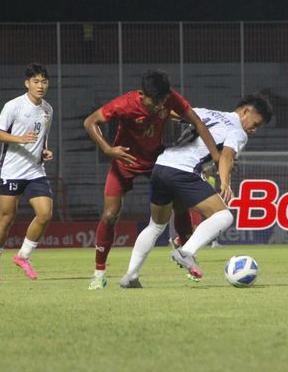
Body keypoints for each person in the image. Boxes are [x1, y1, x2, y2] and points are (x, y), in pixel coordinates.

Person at [84, 69, 220, 290]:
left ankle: (188, 259)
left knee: (180, 205)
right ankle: (99, 273)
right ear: (141, 94)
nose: (159, 106)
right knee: (109, 215)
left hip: (156, 161)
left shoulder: (169, 98)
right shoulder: (124, 104)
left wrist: (216, 156)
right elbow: (90, 122)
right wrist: (108, 149)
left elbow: (198, 122)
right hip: (124, 162)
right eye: (154, 102)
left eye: (163, 101)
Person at [119, 93, 273, 288]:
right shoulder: (237, 131)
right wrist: (225, 183)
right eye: (256, 123)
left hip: (161, 167)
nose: (254, 130)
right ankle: (186, 252)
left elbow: (172, 114)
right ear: (246, 111)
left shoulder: (206, 112)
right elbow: (226, 156)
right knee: (224, 216)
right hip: (183, 171)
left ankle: (130, 276)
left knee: (156, 226)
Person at [0, 64, 54, 282]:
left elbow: (42, 137)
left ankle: (23, 255)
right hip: (12, 170)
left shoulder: (47, 109)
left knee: (45, 213)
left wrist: (44, 151)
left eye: (43, 81)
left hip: (35, 170)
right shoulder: (13, 106)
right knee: (6, 218)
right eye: (36, 81)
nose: (40, 85)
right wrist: (20, 139)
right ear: (27, 84)